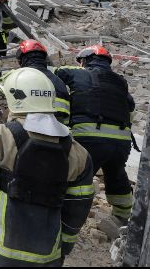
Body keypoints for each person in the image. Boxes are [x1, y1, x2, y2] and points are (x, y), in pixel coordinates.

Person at [0, 67, 94, 267]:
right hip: (43, 258)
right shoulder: (79, 155)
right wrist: (62, 248)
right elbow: (76, 212)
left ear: (16, 101)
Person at [55, 45, 135, 224]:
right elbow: (130, 106)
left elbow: (52, 73)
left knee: (78, 176)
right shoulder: (120, 82)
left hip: (90, 139)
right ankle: (123, 216)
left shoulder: (78, 73)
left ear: (85, 60)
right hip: (121, 142)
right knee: (116, 174)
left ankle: (67, 218)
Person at [16, 39, 71, 123]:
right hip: (60, 127)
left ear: (22, 59)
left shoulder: (21, 78)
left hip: (32, 126)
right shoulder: (59, 81)